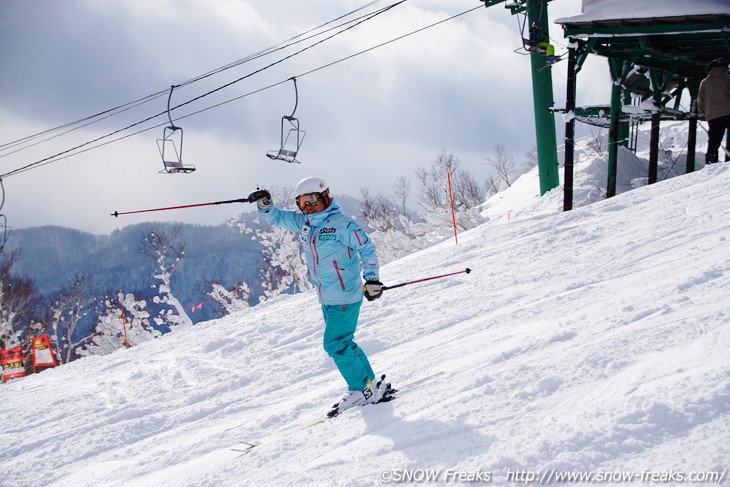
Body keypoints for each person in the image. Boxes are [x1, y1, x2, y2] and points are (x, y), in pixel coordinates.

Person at [251, 177, 388, 415]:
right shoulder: (306, 223)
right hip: (327, 296)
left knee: (334, 344)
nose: (307, 206)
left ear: (325, 197)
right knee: (343, 342)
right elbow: (277, 217)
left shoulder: (342, 224)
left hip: (344, 295)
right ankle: (369, 385)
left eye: (312, 199)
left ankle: (360, 390)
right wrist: (265, 204)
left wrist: (373, 279)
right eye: (301, 202)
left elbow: (367, 248)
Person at [698, 59, 730, 164]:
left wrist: (703, 112)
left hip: (712, 116)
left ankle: (711, 161)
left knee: (714, 140)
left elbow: (700, 99)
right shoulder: (726, 78)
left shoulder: (704, 82)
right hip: (728, 112)